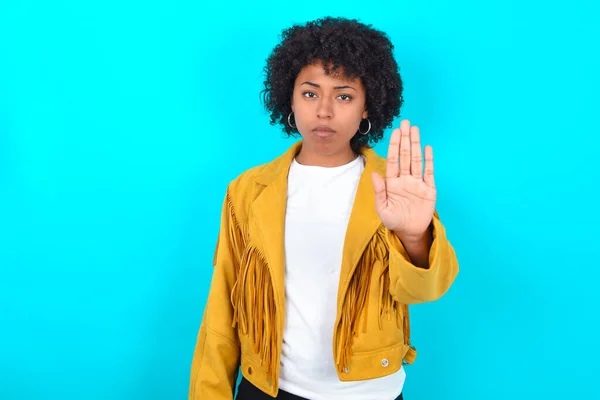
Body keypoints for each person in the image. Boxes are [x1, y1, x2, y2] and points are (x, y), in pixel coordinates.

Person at [188, 16, 459, 400]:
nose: (325, 111)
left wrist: (414, 235)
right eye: (310, 93)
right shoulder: (248, 190)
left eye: (344, 96)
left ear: (368, 107)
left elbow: (426, 290)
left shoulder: (396, 186)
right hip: (268, 389)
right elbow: (222, 308)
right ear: (290, 98)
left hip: (372, 392)